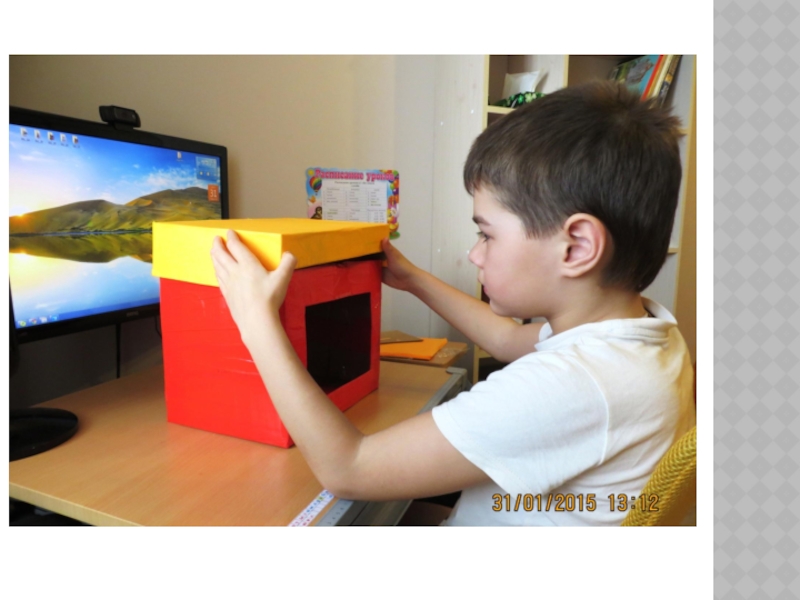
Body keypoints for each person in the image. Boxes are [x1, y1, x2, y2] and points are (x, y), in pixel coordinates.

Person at [210, 80, 696, 526]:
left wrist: (257, 322)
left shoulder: (569, 386)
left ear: (576, 247)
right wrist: (414, 280)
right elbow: (507, 339)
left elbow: (349, 468)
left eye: (487, 234)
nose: (474, 254)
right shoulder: (640, 336)